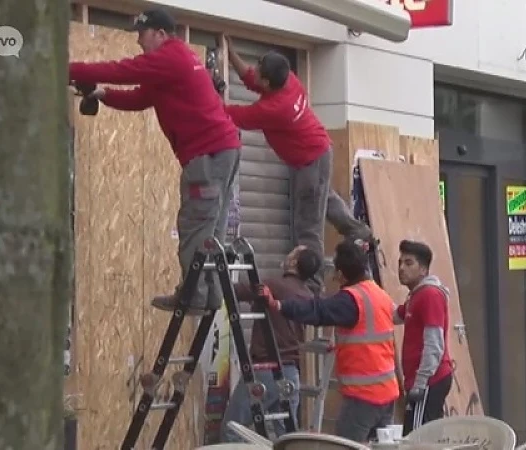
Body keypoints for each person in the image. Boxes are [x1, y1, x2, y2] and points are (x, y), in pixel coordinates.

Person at [68, 8, 242, 315]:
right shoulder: (176, 62)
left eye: (142, 34)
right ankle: (209, 295)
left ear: (160, 34)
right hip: (222, 150)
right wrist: (102, 93)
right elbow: (139, 98)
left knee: (195, 225)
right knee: (210, 230)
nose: (138, 42)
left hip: (207, 153)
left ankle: (195, 296)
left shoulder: (170, 57)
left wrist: (69, 69)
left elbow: (123, 70)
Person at [221, 35, 373, 293]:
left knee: (308, 226)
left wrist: (200, 97)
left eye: (259, 70)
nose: (254, 71)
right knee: (324, 200)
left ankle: (311, 289)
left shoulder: (274, 109)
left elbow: (233, 115)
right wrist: (231, 50)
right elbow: (251, 77)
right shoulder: (288, 79)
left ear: (268, 82)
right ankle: (359, 232)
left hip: (309, 161)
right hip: (319, 150)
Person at [257, 240, 399, 443]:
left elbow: (316, 310)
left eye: (335, 272)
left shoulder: (350, 299)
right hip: (387, 394)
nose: (333, 277)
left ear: (341, 273)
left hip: (364, 398)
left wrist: (278, 304)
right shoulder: (379, 294)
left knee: (346, 446)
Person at [220, 245, 321, 442]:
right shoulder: (308, 295)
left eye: (291, 252)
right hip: (291, 376)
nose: (287, 255)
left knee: (232, 430)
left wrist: (221, 271)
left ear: (293, 262)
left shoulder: (274, 285)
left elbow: (235, 292)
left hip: (265, 370)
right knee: (286, 439)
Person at [394, 240, 454, 435]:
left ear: (423, 269)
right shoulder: (415, 296)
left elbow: (434, 344)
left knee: (417, 438)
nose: (402, 268)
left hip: (429, 381)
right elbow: (394, 316)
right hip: (422, 381)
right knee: (419, 436)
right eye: (400, 263)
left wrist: (420, 384)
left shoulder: (429, 295)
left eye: (408, 263)